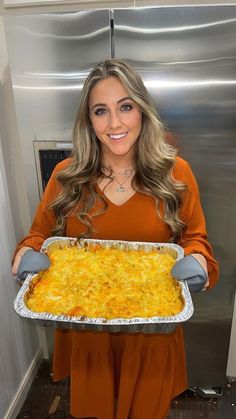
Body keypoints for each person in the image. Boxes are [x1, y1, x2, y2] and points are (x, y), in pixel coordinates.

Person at [12, 59, 219, 419]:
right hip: (88, 336)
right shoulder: (67, 176)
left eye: (126, 106)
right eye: (100, 111)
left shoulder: (177, 173)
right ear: (89, 121)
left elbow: (196, 240)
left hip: (152, 337)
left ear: (142, 110)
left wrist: (197, 261)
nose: (115, 123)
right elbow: (37, 236)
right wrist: (26, 256)